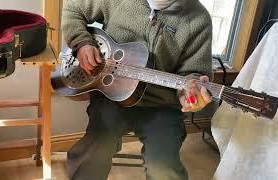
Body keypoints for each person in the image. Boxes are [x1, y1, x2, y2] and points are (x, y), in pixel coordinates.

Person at [62, 0, 213, 179]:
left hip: (162, 106)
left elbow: (193, 74)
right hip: (112, 98)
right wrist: (81, 43)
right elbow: (73, 8)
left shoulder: (198, 19)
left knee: (164, 169)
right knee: (93, 151)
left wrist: (191, 97)